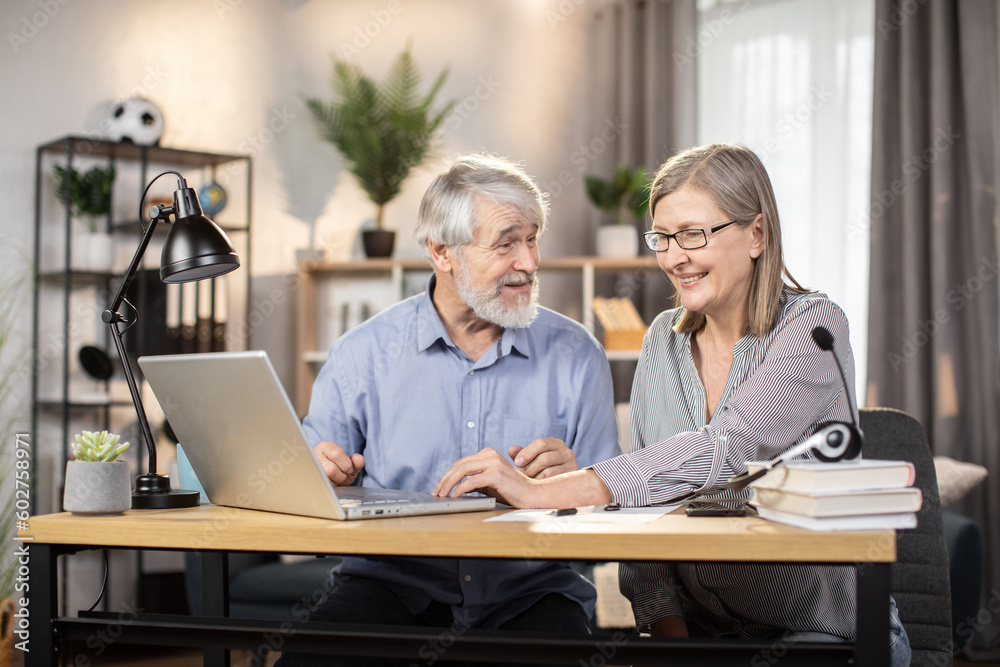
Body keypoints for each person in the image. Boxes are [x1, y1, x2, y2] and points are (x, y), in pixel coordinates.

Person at [434, 144, 912, 666]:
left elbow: (728, 449)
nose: (672, 256)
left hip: (823, 637)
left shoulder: (812, 328)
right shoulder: (661, 340)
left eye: (692, 234)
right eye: (662, 237)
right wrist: (671, 643)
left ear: (756, 234)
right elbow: (645, 516)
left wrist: (538, 492)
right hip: (700, 638)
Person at [276, 154, 621, 666]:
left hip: (530, 595)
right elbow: (302, 477)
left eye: (532, 239)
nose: (528, 262)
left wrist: (574, 486)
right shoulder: (363, 353)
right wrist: (319, 469)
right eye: (506, 243)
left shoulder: (577, 354)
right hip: (389, 589)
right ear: (443, 253)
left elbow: (615, 515)